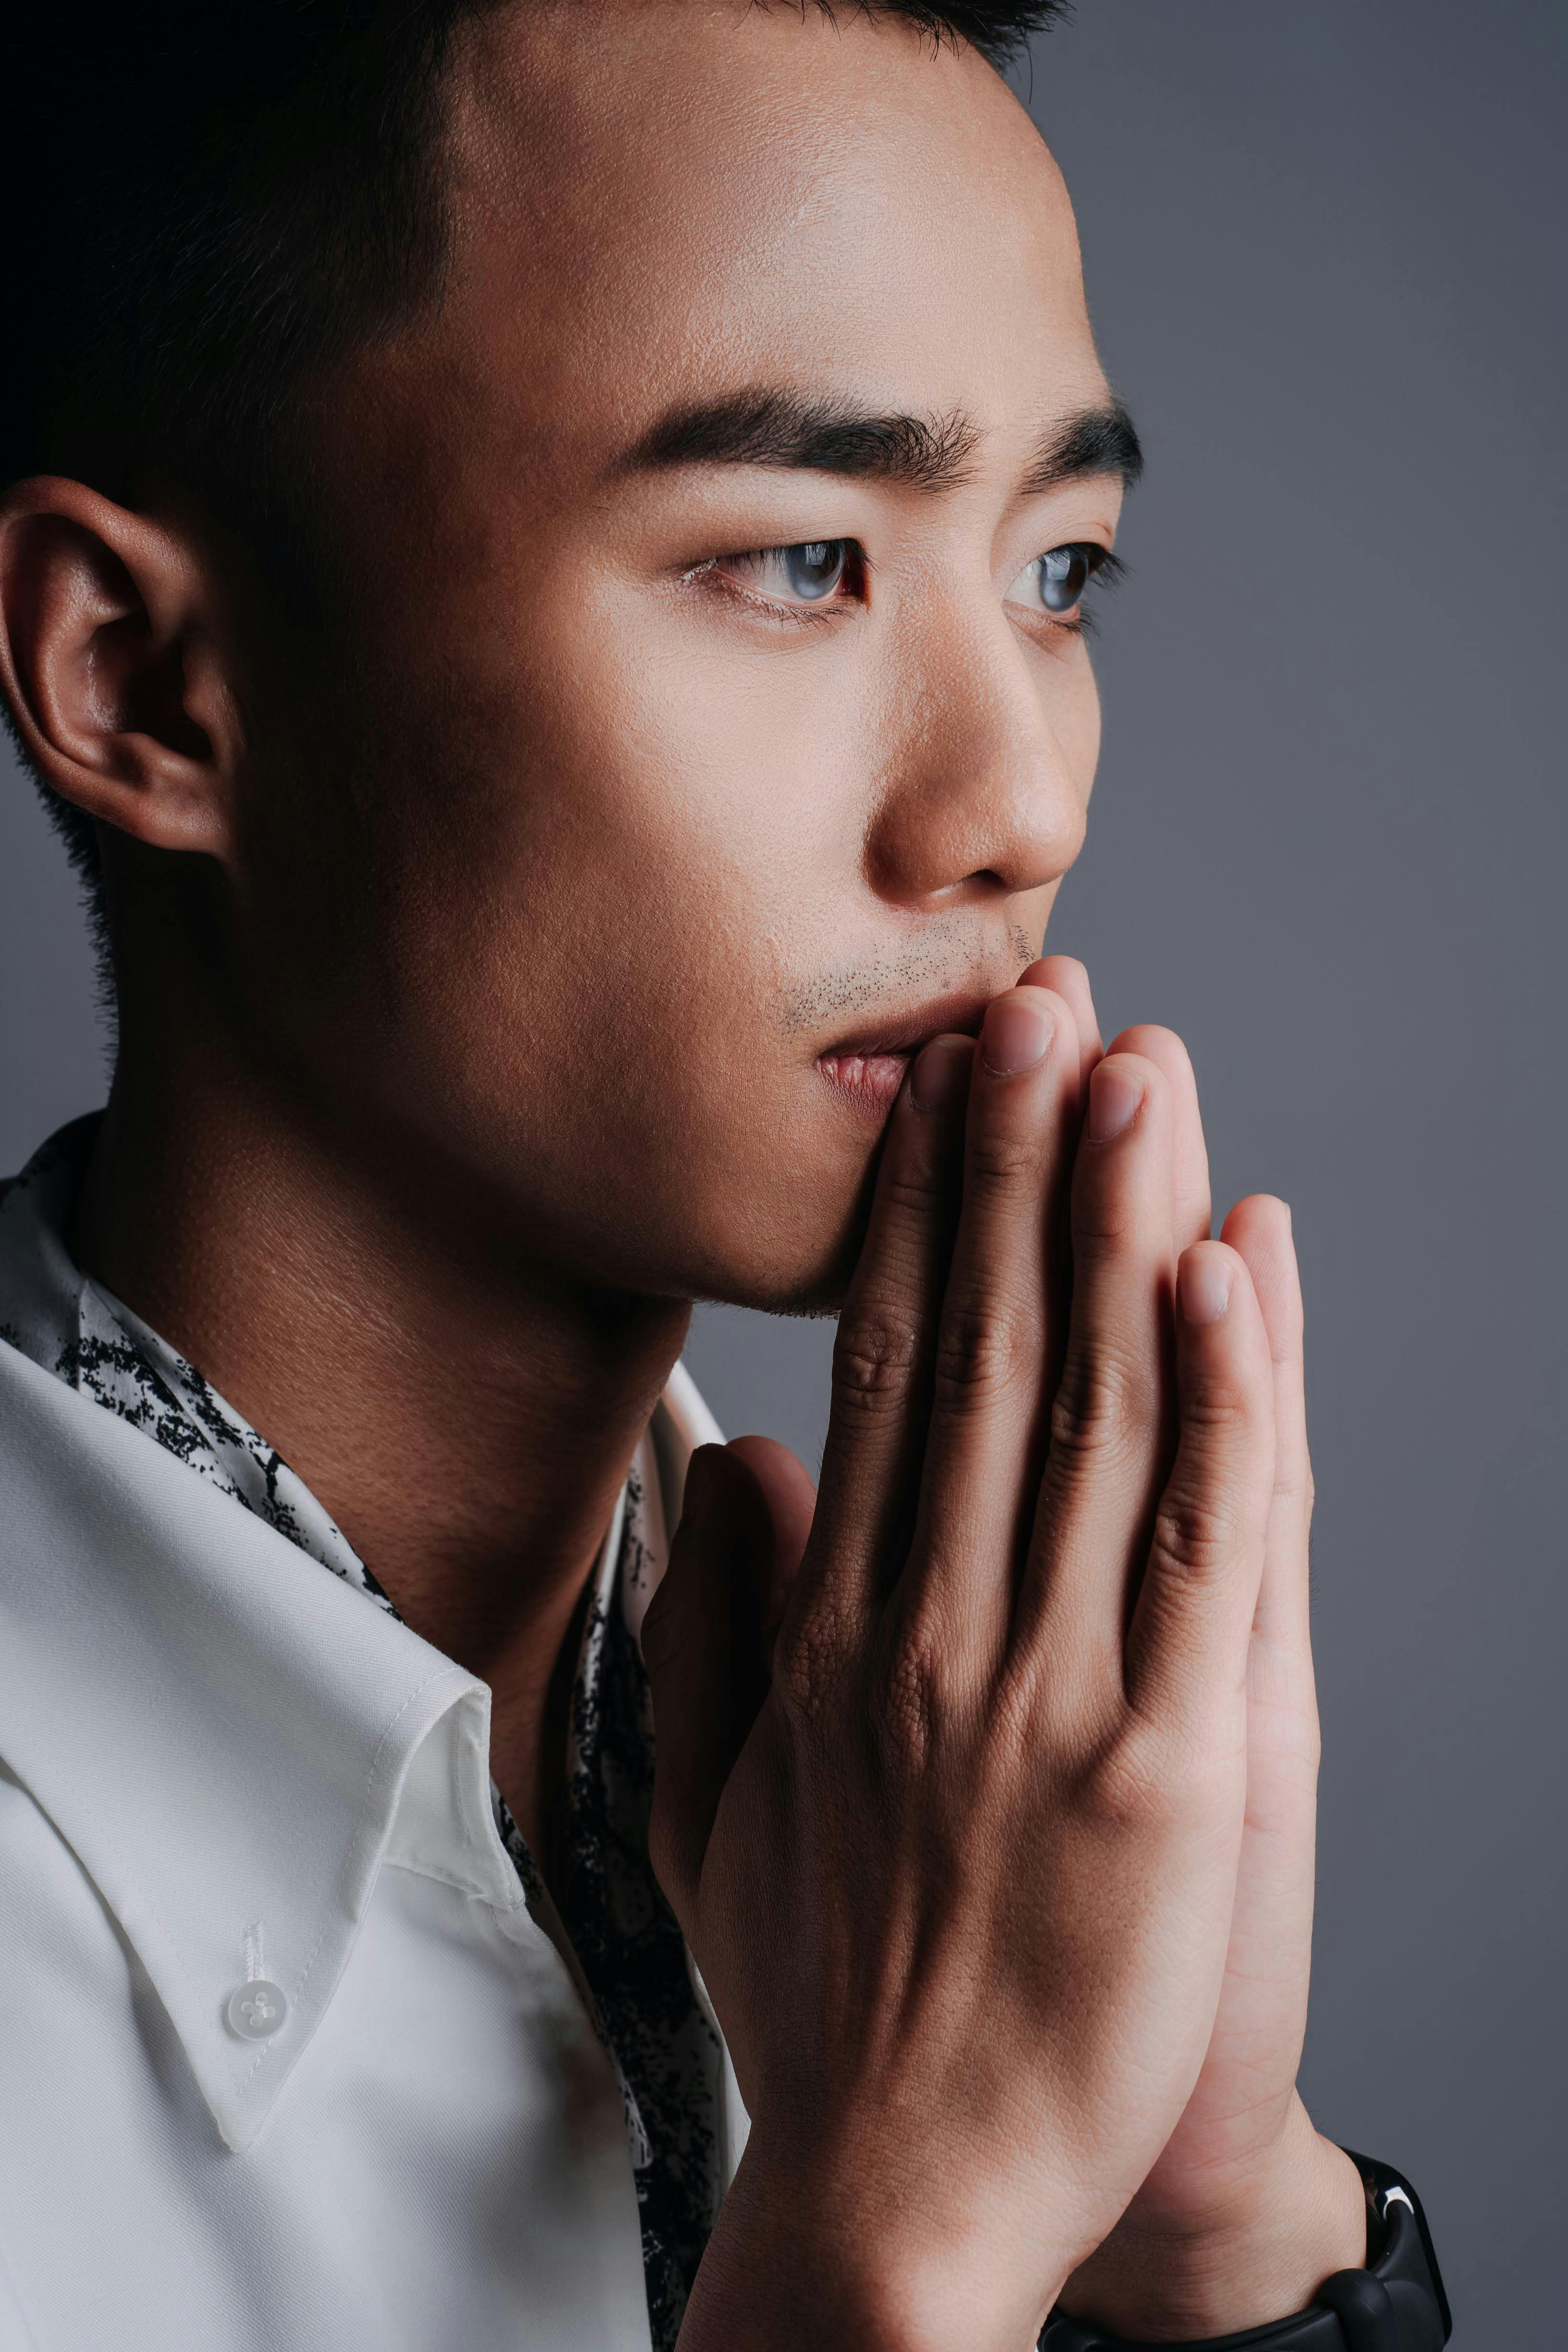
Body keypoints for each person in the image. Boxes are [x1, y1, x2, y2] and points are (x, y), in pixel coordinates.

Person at [0, 4, 1449, 2348]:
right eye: (797, 558)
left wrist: (1211, 2240)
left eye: (1060, 572)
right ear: (149, 680)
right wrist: (897, 2252)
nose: (1020, 805)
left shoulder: (907, 1805)